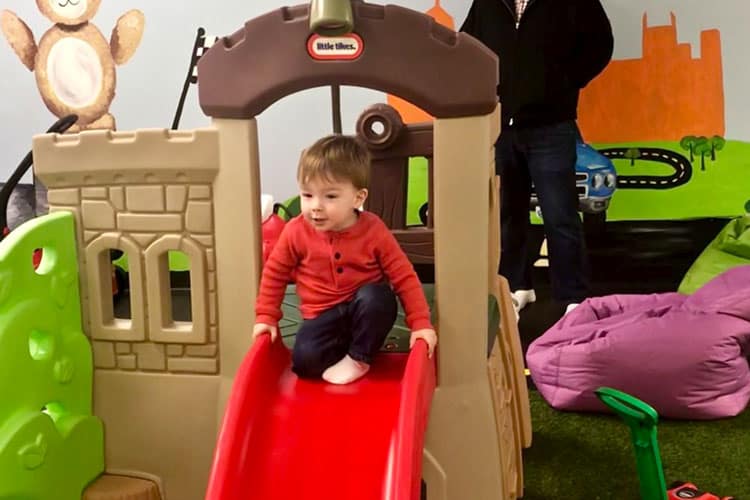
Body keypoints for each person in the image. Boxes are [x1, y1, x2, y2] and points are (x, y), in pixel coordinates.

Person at [460, 0, 614, 315]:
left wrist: (565, 81)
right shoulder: (487, 4)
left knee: (560, 216)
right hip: (500, 125)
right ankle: (518, 287)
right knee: (508, 215)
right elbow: (466, 46)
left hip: (552, 125)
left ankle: (572, 298)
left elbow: (601, 44)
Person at [252, 135, 438, 385]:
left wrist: (420, 323)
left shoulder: (373, 230)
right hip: (322, 315)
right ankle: (348, 347)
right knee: (305, 363)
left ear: (358, 198)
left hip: (364, 309)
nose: (316, 206)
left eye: (330, 197)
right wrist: (266, 317)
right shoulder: (296, 231)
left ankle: (359, 358)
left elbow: (403, 275)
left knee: (378, 297)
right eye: (307, 195)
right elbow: (274, 273)